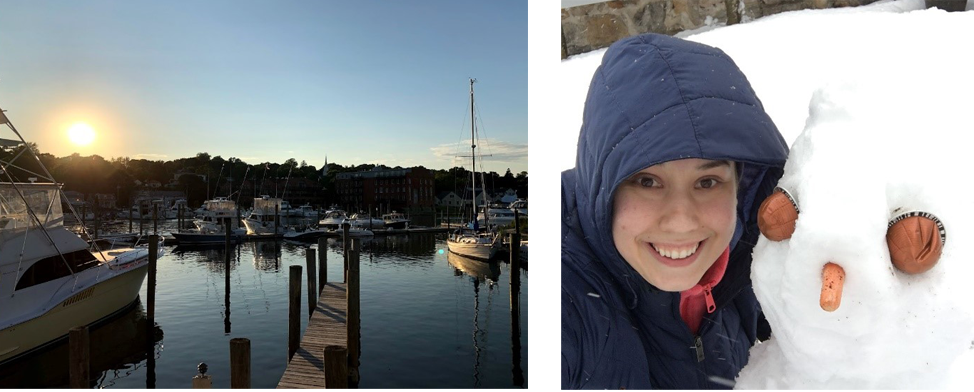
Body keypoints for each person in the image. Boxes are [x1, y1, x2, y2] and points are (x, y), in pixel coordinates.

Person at [561, 33, 789, 389]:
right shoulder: (561, 302)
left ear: (740, 188)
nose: (682, 220)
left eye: (708, 182)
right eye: (647, 182)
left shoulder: (747, 257)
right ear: (603, 185)